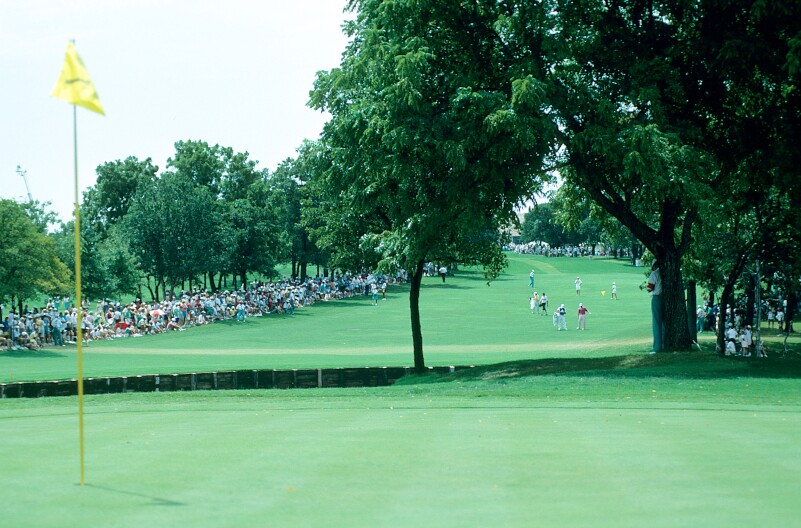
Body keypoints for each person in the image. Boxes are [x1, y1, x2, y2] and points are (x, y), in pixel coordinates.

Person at [646, 261, 663, 352]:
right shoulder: (665, 272)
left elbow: (649, 288)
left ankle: (657, 347)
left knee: (656, 323)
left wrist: (646, 286)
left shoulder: (655, 273)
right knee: (664, 323)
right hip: (666, 298)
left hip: (657, 298)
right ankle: (664, 344)